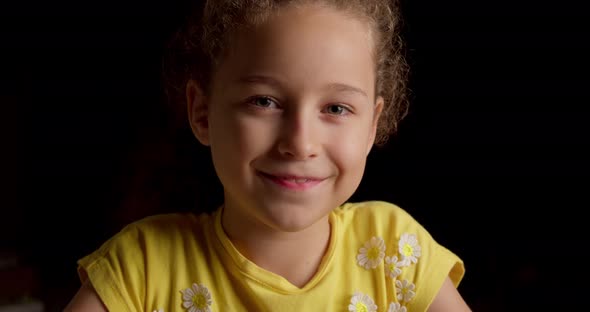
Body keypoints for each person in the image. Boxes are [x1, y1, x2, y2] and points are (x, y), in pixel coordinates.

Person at [65, 0, 470, 311]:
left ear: (371, 127)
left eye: (336, 109)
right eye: (264, 101)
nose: (300, 142)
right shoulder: (140, 269)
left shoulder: (396, 252)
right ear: (202, 113)